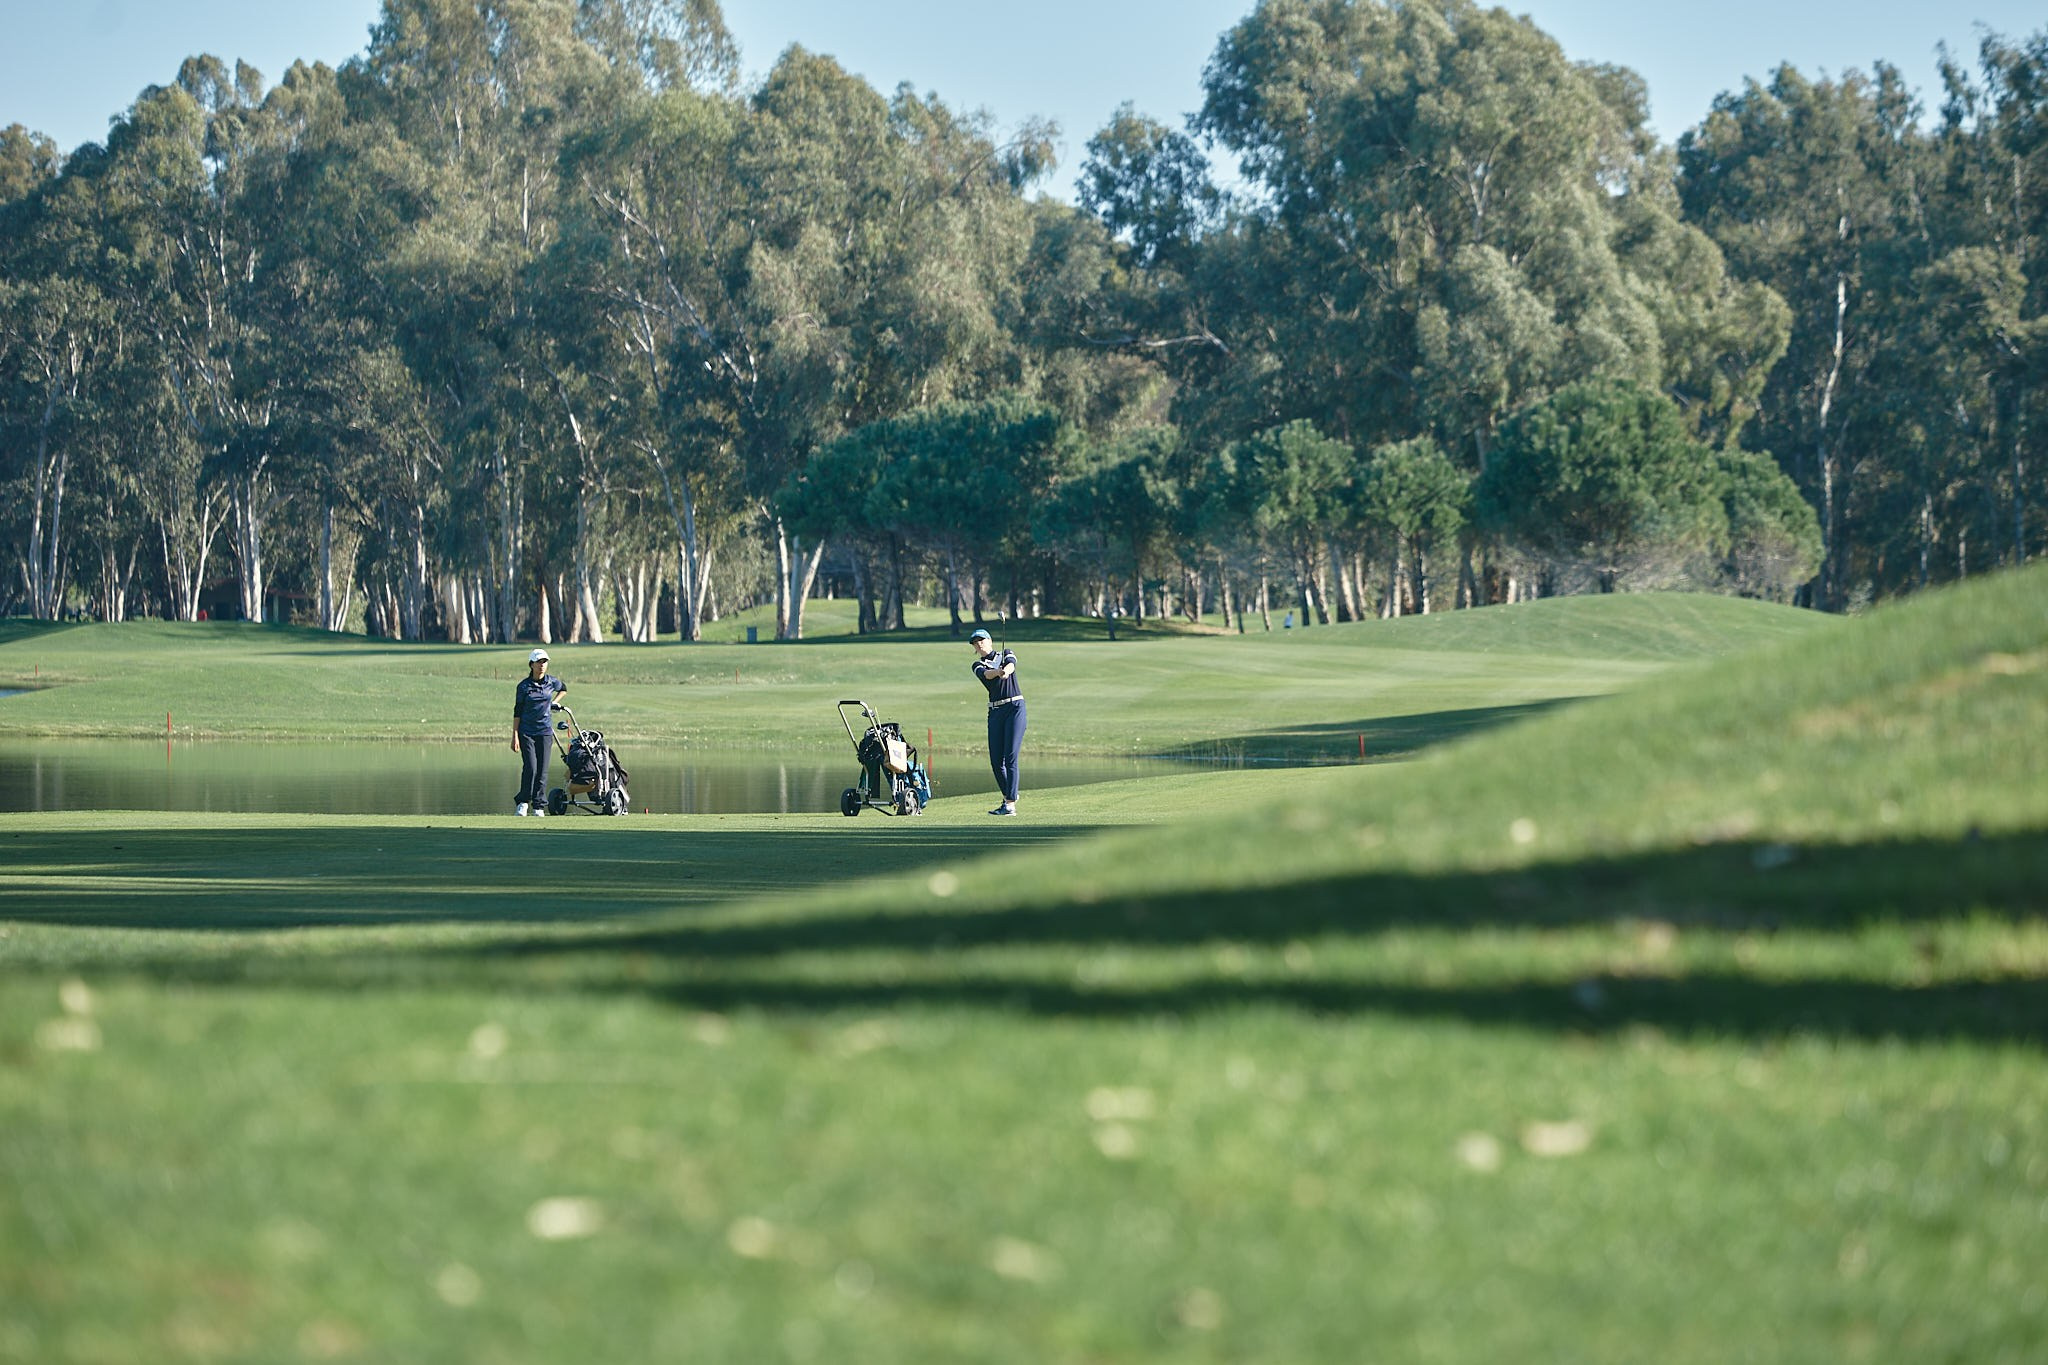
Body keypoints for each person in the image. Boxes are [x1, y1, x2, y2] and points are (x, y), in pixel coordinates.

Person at [969, 627, 1024, 816]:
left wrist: (1006, 670)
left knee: (1010, 757)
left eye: (981, 640)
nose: (979, 644)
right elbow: (986, 675)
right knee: (996, 762)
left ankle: (1009, 804)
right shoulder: (977, 664)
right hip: (995, 711)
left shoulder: (1005, 652)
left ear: (990, 641)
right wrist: (998, 672)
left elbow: (1011, 665)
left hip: (1014, 707)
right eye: (975, 643)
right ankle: (1010, 795)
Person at [512, 648, 567, 816]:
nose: (542, 665)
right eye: (539, 662)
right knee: (531, 768)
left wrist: (554, 702)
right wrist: (515, 736)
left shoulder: (551, 682)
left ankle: (538, 805)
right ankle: (523, 802)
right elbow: (517, 711)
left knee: (542, 770)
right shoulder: (523, 686)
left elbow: (563, 688)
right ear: (531, 665)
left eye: (545, 662)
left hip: (545, 732)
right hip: (526, 732)